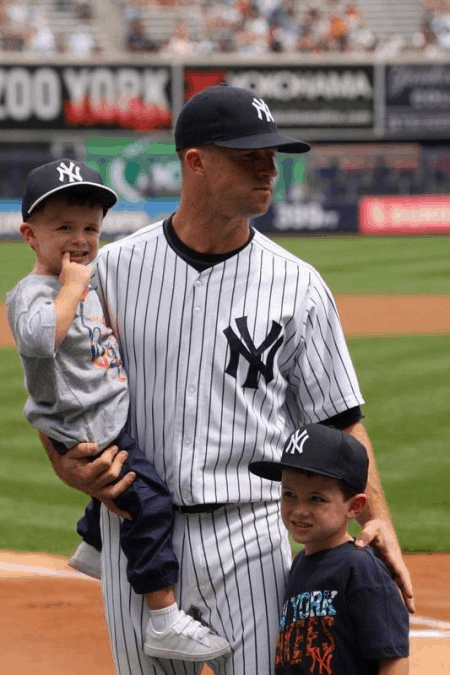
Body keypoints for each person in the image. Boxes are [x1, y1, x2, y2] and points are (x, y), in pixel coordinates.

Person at [40, 85, 414, 675]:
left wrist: (378, 519)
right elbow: (59, 383)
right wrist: (62, 463)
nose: (269, 169)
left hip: (251, 535)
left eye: (272, 157)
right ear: (196, 162)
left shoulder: (298, 284)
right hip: (139, 538)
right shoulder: (112, 270)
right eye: (250, 156)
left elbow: (338, 419)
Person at [5, 158, 231, 664]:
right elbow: (40, 341)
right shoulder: (32, 293)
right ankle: (163, 618)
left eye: (90, 227)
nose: (80, 239)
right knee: (148, 502)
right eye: (63, 227)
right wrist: (69, 289)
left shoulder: (82, 278)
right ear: (29, 235)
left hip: (99, 412)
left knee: (123, 489)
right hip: (85, 423)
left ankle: (94, 546)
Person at [249, 423, 410, 674]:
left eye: (316, 499)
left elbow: (392, 657)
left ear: (355, 507)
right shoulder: (299, 565)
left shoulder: (360, 569)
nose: (299, 509)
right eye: (289, 494)